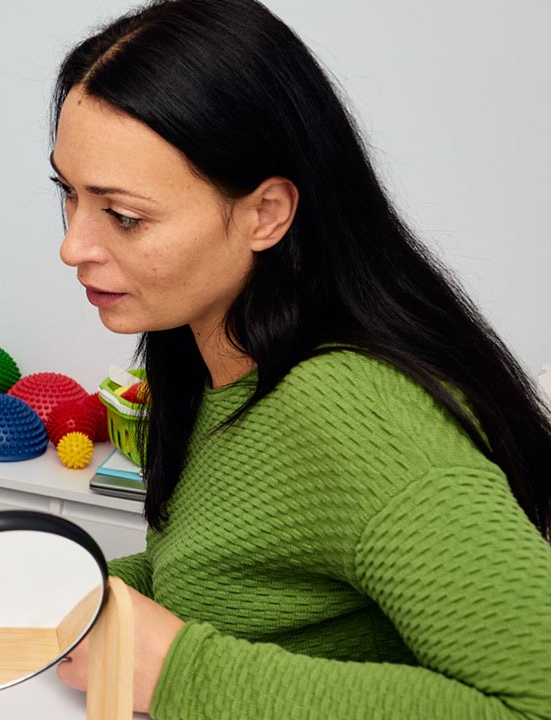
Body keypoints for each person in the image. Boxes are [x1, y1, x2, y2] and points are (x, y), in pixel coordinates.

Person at [47, 1, 551, 717]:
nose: (73, 245)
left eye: (124, 216)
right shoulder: (209, 360)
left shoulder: (352, 412)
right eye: (68, 194)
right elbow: (236, 581)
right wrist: (50, 590)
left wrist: (178, 673)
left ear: (266, 214)